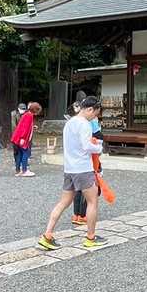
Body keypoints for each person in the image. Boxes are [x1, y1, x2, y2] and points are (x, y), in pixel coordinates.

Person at [38, 95, 106, 250]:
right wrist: (98, 147)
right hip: (83, 169)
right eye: (95, 114)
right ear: (90, 109)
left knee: (63, 203)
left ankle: (47, 235)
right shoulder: (84, 124)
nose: (94, 117)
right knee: (92, 202)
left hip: (69, 168)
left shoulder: (69, 123)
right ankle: (90, 237)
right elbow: (86, 146)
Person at [10, 101, 40, 177]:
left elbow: (24, 126)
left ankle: (18, 171)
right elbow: (24, 128)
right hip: (21, 138)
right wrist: (22, 138)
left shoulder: (27, 114)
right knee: (25, 153)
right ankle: (24, 170)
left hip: (17, 137)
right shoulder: (29, 115)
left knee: (20, 153)